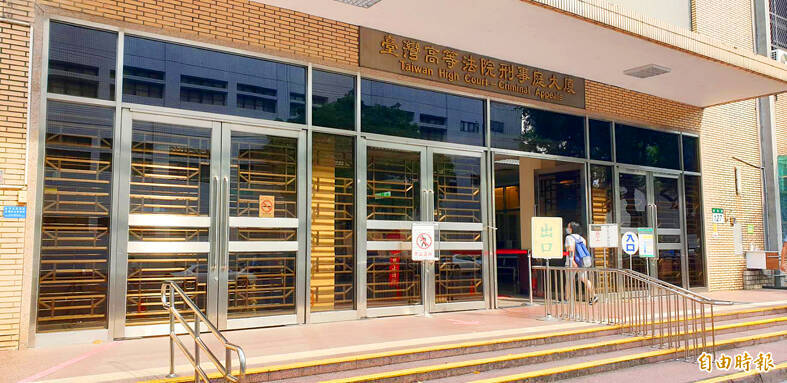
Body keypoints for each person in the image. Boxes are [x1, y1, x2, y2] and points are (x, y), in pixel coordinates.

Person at [565, 222, 598, 305]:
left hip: (571, 262)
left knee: (569, 280)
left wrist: (572, 261)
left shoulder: (569, 238)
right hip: (582, 262)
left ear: (572, 228)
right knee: (584, 279)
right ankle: (594, 296)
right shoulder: (582, 239)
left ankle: (567, 299)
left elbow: (570, 249)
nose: (567, 228)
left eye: (568, 227)